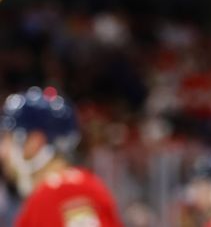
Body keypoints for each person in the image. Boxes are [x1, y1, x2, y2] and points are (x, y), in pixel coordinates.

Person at [0, 86, 124, 227]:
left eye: (7, 139)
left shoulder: (65, 191)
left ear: (35, 142)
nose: (2, 152)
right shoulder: (49, 194)